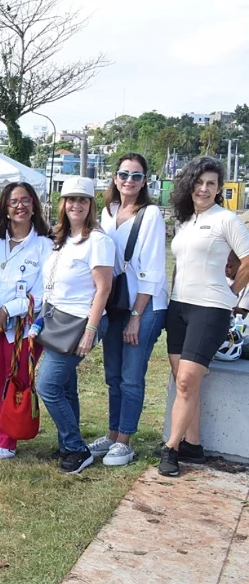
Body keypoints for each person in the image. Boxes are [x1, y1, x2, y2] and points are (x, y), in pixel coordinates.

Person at [160, 157, 249, 477]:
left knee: (186, 380)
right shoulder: (184, 222)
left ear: (218, 188)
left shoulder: (227, 220)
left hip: (210, 309)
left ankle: (171, 448)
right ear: (189, 185)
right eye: (199, 182)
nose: (204, 188)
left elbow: (248, 261)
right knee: (185, 380)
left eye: (211, 183)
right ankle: (193, 445)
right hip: (179, 308)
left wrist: (229, 293)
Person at [90, 153, 169, 467]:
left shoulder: (150, 215)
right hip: (115, 304)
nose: (129, 181)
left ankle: (125, 440)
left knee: (131, 375)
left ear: (145, 181)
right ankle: (112, 433)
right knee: (113, 374)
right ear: (114, 177)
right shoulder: (108, 213)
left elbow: (153, 271)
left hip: (143, 305)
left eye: (136, 176)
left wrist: (136, 317)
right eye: (124, 174)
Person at [35, 176, 114, 475]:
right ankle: (67, 444)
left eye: (82, 200)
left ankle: (76, 448)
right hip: (57, 318)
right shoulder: (60, 238)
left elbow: (103, 289)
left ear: (91, 205)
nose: (75, 205)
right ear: (63, 204)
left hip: (80, 321)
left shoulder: (98, 241)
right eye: (70, 199)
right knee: (65, 387)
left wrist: (90, 331)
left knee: (48, 385)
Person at [0, 182, 53, 461]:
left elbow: (43, 293)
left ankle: (8, 440)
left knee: (16, 383)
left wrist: (9, 309)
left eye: (26, 200)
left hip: (22, 329)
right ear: (4, 208)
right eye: (14, 202)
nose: (20, 206)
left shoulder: (45, 244)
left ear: (34, 206)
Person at [226, 250, 249, 319]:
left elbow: (242, 314)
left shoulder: (247, 284)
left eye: (229, 266)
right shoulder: (220, 278)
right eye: (224, 266)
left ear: (241, 265)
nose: (226, 269)